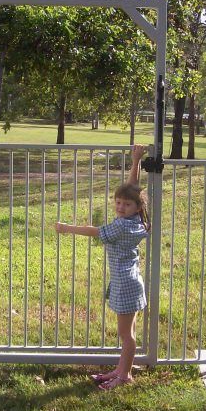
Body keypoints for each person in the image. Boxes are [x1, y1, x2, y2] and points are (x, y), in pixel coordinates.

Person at [55, 144, 150, 390]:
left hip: (126, 284)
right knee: (127, 333)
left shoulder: (122, 226)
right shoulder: (135, 219)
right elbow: (133, 189)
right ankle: (121, 370)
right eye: (118, 202)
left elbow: (95, 232)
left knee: (127, 336)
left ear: (137, 207)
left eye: (125, 204)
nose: (120, 207)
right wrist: (136, 161)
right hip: (129, 282)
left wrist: (67, 228)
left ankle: (124, 376)